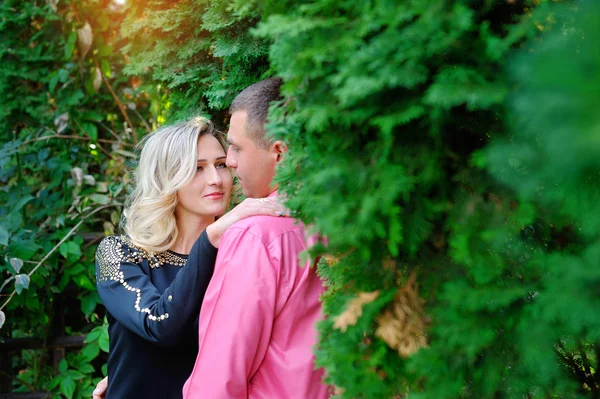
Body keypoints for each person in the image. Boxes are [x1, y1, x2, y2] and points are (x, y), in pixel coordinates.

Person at [92, 117, 286, 399]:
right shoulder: (120, 253)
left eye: (221, 165)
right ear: (166, 179)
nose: (216, 179)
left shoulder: (239, 258)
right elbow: (160, 323)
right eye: (197, 169)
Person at [182, 78, 329, 398]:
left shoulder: (255, 237)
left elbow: (219, 379)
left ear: (279, 151)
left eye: (236, 147)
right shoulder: (346, 221)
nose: (230, 161)